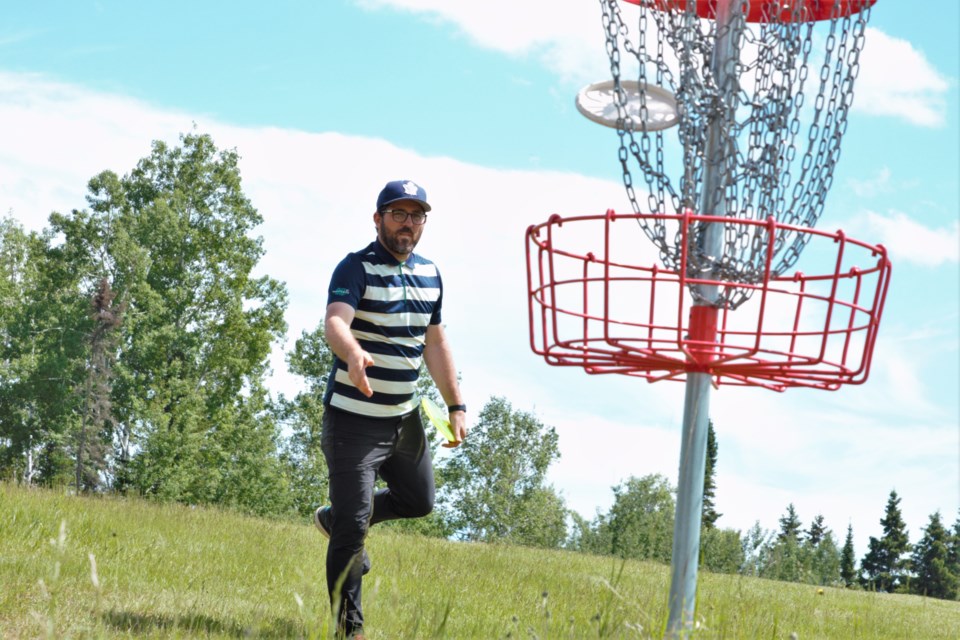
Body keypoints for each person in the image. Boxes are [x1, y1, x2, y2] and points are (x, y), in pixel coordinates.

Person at [315, 179, 467, 639]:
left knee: (419, 501)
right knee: (351, 533)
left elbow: (435, 342)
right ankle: (350, 630)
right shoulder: (355, 267)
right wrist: (354, 353)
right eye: (398, 214)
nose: (407, 224)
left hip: (404, 421)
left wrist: (455, 403)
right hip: (353, 421)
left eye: (416, 215)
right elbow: (336, 322)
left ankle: (336, 516)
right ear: (378, 218)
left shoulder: (431, 273)